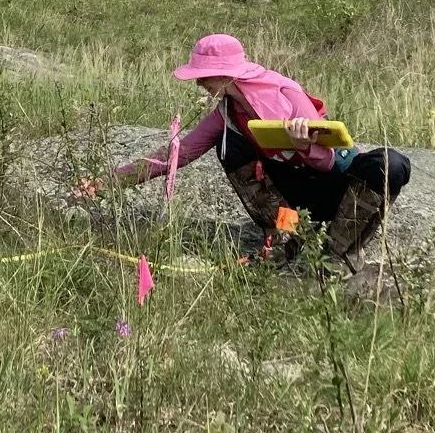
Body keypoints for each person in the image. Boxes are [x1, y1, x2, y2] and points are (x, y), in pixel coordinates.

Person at [73, 33, 409, 269]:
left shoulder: (285, 90)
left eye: (202, 76)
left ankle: (336, 253)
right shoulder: (228, 114)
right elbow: (176, 154)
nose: (198, 84)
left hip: (331, 187)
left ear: (222, 74)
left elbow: (326, 164)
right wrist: (106, 183)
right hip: (291, 202)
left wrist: (302, 148)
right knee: (228, 145)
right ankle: (288, 236)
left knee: (391, 165)